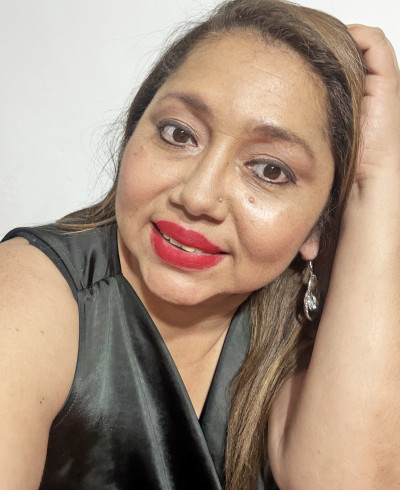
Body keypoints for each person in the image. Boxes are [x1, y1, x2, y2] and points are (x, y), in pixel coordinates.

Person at [1, 0, 400, 488]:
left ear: (320, 224)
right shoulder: (26, 295)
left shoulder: (308, 346)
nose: (198, 197)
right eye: (178, 134)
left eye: (270, 170)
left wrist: (378, 181)